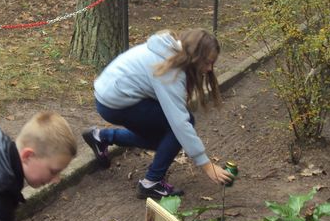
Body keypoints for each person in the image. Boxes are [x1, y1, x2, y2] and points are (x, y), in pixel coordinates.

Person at [81, 28, 233, 200]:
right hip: (115, 103)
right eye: (206, 63)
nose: (209, 69)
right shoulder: (171, 70)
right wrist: (206, 165)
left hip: (109, 95)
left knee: (162, 142)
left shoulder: (169, 49)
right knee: (181, 127)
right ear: (194, 56)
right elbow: (180, 123)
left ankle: (102, 137)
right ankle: (152, 182)